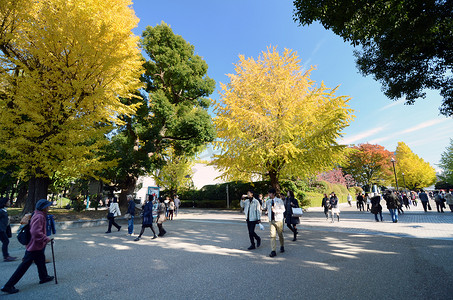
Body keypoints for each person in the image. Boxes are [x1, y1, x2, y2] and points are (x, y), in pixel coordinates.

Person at [1, 199, 54, 294]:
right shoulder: (39, 217)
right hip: (34, 246)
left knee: (41, 260)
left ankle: (44, 277)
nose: (49, 207)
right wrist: (46, 238)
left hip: (37, 245)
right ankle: (8, 286)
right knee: (24, 266)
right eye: (48, 206)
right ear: (44, 207)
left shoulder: (39, 214)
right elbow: (35, 232)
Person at [264, 188, 285, 257]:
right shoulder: (268, 201)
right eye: (268, 193)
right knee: (272, 235)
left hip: (278, 220)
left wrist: (276, 211)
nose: (269, 195)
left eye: (270, 193)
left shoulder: (279, 201)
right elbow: (264, 208)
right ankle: (273, 250)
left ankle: (282, 245)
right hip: (271, 220)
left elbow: (283, 209)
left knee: (280, 234)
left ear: (273, 194)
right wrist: (264, 201)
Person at [0, 198, 16, 262]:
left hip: (3, 229)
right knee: (6, 241)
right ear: (4, 203)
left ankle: (6, 256)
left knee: (5, 241)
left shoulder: (4, 210)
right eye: (8, 201)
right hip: (1, 230)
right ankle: (6, 256)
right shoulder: (1, 211)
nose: (9, 202)